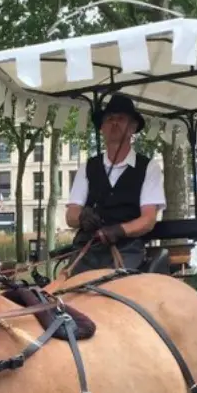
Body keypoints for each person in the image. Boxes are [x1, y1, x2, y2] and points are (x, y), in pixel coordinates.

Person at [65, 93, 165, 271]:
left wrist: (119, 231)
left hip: (127, 249)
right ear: (102, 127)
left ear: (133, 127)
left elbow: (148, 219)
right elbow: (71, 215)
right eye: (110, 119)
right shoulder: (87, 167)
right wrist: (82, 217)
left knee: (116, 288)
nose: (115, 123)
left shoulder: (149, 168)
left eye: (121, 118)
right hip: (88, 248)